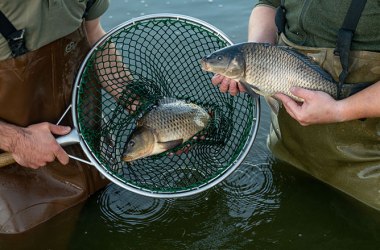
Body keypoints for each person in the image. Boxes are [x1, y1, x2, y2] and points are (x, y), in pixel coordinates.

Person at [212, 0, 380, 211]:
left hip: (365, 172)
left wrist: (341, 110)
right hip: (287, 151)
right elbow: (269, 4)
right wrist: (254, 58)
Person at [0, 0, 111, 234]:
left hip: (90, 157)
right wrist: (14, 139)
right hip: (15, 184)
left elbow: (94, 36)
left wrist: (136, 101)